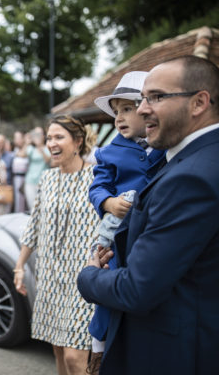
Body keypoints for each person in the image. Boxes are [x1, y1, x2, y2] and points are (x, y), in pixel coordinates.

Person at [77, 56, 219, 375]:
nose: (141, 109)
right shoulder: (190, 159)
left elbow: (137, 289)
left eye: (156, 97)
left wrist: (87, 276)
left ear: (199, 102)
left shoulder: (191, 178)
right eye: (141, 100)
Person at [85, 71, 166, 372]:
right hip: (118, 232)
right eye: (117, 111)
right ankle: (99, 346)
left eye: (127, 109)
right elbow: (97, 186)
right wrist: (107, 202)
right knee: (109, 279)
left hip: (153, 230)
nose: (120, 117)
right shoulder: (109, 151)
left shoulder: (166, 144)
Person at [14, 115, 98, 375]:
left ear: (78, 142)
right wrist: (19, 266)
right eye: (49, 138)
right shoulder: (48, 179)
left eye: (58, 137)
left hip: (83, 278)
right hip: (50, 275)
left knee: (76, 358)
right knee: (58, 351)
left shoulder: (97, 176)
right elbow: (35, 225)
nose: (51, 143)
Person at [22, 126, 51, 212]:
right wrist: (27, 142)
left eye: (39, 134)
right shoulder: (31, 148)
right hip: (30, 181)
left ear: (43, 136)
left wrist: (40, 147)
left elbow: (48, 160)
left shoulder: (48, 148)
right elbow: (22, 155)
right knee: (32, 207)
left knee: (42, 207)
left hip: (43, 181)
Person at [11, 131, 29, 213]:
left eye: (18, 138)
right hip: (15, 177)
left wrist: (27, 143)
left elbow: (23, 154)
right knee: (18, 200)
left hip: (25, 177)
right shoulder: (15, 149)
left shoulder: (28, 148)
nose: (16, 140)